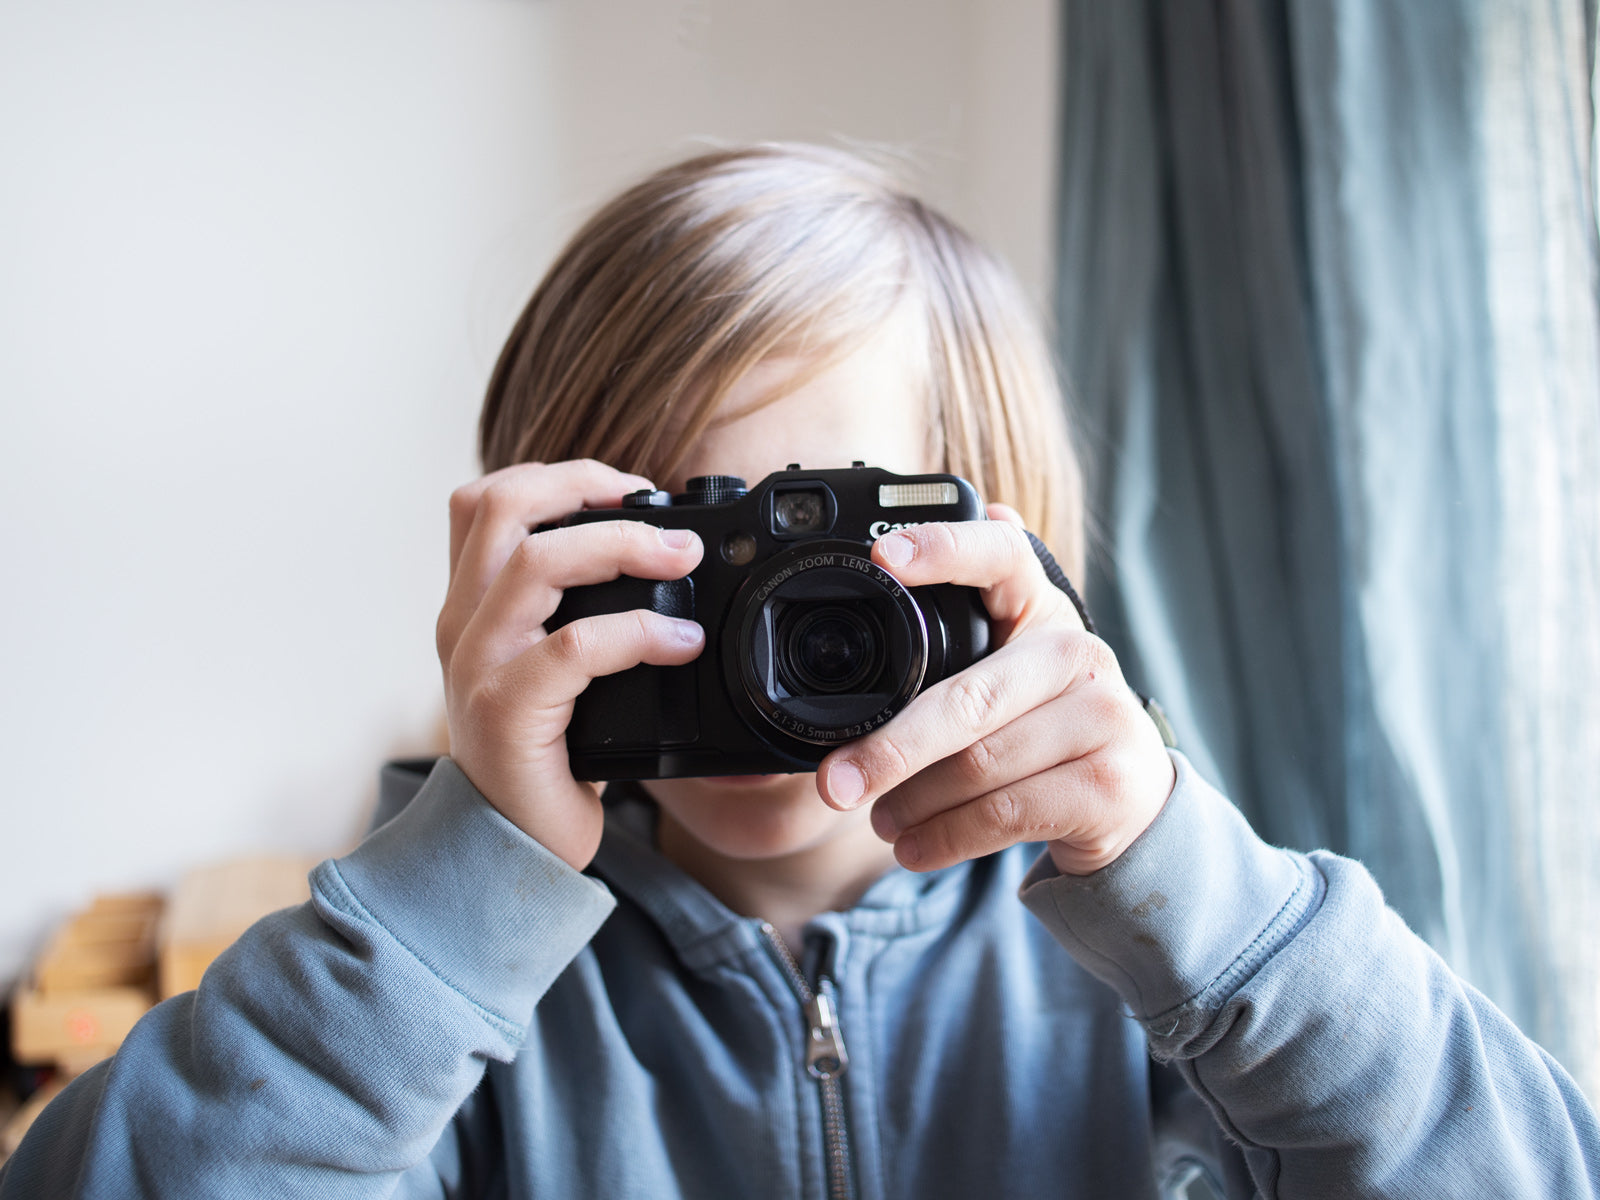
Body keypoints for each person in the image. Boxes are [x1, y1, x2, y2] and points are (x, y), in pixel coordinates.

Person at [3, 143, 1596, 1199]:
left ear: (1007, 570)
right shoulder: (448, 1012)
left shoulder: (1144, 977)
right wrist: (449, 904)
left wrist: (1197, 893)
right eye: (674, 553)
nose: (758, 646)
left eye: (820, 567)